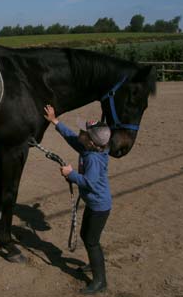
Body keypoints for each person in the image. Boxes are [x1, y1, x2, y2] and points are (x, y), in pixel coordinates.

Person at [44, 104, 112, 295]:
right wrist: (55, 121)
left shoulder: (93, 159)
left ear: (90, 142)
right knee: (86, 236)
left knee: (91, 241)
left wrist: (71, 174)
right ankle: (94, 264)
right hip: (94, 204)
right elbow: (71, 137)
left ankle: (100, 281)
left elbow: (89, 182)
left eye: (84, 132)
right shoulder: (90, 148)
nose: (79, 133)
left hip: (99, 206)